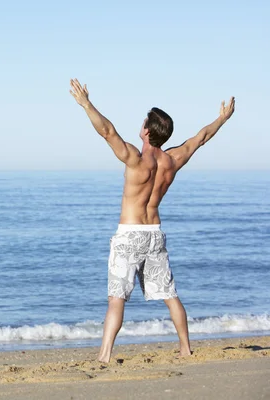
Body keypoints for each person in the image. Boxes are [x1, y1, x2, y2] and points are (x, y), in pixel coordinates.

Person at [69, 78, 235, 362]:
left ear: (146, 130)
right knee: (170, 294)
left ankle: (105, 356)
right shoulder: (172, 160)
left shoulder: (135, 159)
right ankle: (185, 348)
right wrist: (222, 118)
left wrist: (86, 104)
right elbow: (201, 138)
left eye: (144, 121)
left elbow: (107, 132)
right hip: (154, 234)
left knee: (116, 298)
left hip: (129, 235)